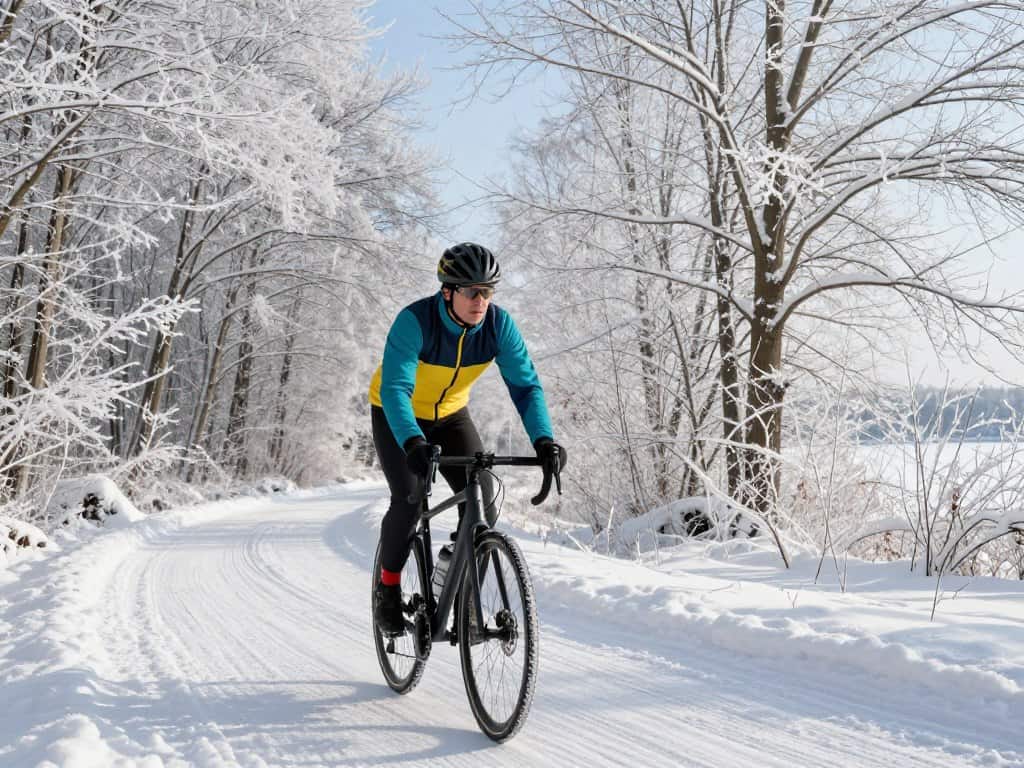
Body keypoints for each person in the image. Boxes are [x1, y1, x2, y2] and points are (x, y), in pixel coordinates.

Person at [368, 242, 565, 636]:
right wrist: (411, 442)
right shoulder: (415, 322)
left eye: (488, 292)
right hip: (398, 414)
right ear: (448, 292)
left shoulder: (498, 326)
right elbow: (395, 389)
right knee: (409, 501)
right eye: (472, 291)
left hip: (451, 415)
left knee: (484, 502)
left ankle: (458, 577)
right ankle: (387, 590)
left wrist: (544, 440)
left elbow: (525, 387)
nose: (481, 301)